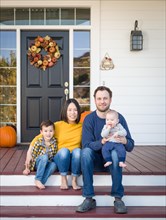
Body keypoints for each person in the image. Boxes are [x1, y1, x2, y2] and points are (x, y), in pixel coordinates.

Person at [76, 86, 134, 214]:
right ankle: (88, 198)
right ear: (95, 100)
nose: (102, 101)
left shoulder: (119, 118)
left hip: (113, 162)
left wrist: (124, 141)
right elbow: (86, 144)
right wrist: (102, 142)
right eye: (99, 98)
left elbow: (130, 146)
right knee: (85, 153)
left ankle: (118, 199)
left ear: (110, 100)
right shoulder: (89, 119)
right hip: (95, 161)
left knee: (114, 153)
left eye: (105, 98)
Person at [30, 99, 82, 190]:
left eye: (75, 110)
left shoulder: (82, 126)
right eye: (69, 110)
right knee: (64, 151)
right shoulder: (58, 125)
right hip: (61, 159)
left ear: (78, 111)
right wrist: (28, 156)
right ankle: (63, 179)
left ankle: (74, 180)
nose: (72, 113)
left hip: (75, 161)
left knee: (78, 151)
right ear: (65, 111)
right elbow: (37, 139)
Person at [23, 120, 57, 189]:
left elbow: (53, 156)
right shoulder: (38, 142)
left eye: (50, 131)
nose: (48, 133)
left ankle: (41, 181)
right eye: (46, 131)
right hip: (37, 163)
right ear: (41, 132)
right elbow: (32, 156)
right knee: (44, 157)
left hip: (47, 163)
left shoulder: (54, 142)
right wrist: (27, 168)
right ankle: (38, 178)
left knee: (54, 165)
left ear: (54, 132)